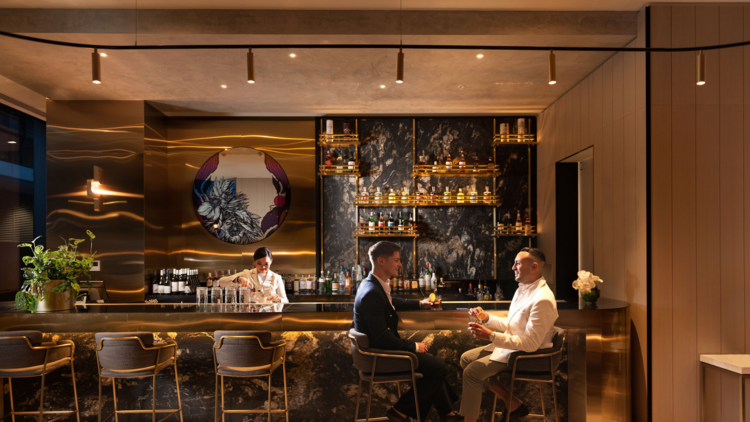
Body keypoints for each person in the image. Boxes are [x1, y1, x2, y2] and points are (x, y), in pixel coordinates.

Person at [353, 241, 461, 422]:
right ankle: (400, 410)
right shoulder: (371, 292)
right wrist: (413, 346)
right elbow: (382, 338)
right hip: (379, 357)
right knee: (438, 368)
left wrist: (419, 303)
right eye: (396, 260)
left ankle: (446, 413)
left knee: (434, 367)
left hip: (378, 350)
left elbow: (390, 301)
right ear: (381, 261)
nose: (400, 264)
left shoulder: (371, 284)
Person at [458, 247, 558, 422]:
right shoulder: (522, 289)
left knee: (471, 373)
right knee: (466, 359)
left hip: (527, 356)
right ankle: (512, 403)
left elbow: (531, 344)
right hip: (513, 349)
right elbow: (511, 324)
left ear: (534, 267)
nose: (512, 267)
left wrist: (491, 336)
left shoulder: (542, 298)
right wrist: (486, 317)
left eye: (517, 263)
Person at [215, 247, 288, 303]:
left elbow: (285, 301)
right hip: (250, 315)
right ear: (254, 260)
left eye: (266, 264)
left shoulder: (277, 278)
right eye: (259, 263)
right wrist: (239, 279)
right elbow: (221, 282)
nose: (263, 267)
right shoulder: (247, 274)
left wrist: (279, 299)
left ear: (271, 261)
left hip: (271, 316)